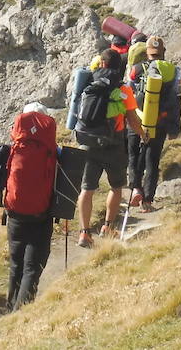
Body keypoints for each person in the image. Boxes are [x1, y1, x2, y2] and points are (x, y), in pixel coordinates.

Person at [76, 47, 147, 247]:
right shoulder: (123, 90)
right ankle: (107, 226)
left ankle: (84, 233)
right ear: (120, 67)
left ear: (102, 64)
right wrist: (143, 135)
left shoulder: (89, 83)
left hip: (89, 143)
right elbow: (133, 120)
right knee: (116, 187)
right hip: (113, 144)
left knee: (86, 189)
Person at [3, 104, 57, 309]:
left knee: (16, 263)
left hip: (14, 212)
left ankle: (10, 306)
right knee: (32, 266)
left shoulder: (13, 149)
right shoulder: (53, 151)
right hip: (40, 214)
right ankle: (21, 311)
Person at [126, 36, 181, 213]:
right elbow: (178, 100)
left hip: (138, 120)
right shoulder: (173, 71)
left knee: (134, 155)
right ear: (163, 52)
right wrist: (175, 127)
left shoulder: (136, 69)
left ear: (147, 53)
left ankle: (135, 188)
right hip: (160, 122)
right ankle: (148, 200)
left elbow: (128, 92)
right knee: (153, 159)